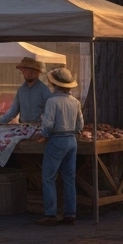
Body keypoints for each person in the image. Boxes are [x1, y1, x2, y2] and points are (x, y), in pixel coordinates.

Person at [35, 67, 83, 226]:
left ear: (54, 84)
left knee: (48, 177)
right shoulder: (75, 102)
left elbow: (48, 123)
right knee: (69, 178)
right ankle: (70, 213)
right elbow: (80, 125)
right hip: (71, 140)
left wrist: (42, 134)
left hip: (57, 140)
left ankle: (50, 213)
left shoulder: (52, 101)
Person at [0, 57, 51, 125]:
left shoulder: (44, 90)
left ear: (36, 73)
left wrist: (44, 125)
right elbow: (13, 111)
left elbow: (50, 112)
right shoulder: (21, 90)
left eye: (27, 70)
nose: (24, 72)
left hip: (38, 127)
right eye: (23, 70)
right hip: (23, 126)